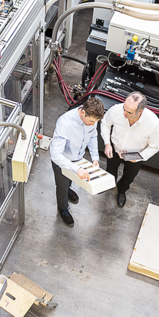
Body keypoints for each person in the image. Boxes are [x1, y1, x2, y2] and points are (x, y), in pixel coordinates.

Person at [50, 97, 106, 227]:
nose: (93, 124)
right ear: (82, 112)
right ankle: (63, 209)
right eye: (91, 121)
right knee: (62, 186)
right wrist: (76, 169)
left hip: (78, 159)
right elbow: (55, 155)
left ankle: (69, 189)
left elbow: (93, 137)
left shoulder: (92, 119)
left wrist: (95, 157)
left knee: (70, 181)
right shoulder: (65, 122)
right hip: (62, 161)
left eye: (95, 122)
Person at [101, 91, 159, 207]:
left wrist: (138, 157)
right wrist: (107, 143)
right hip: (115, 149)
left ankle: (122, 190)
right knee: (110, 170)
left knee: (129, 176)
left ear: (140, 112)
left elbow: (154, 146)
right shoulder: (117, 110)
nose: (123, 113)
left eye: (128, 112)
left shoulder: (153, 124)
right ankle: (108, 184)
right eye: (124, 108)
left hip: (135, 155)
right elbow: (105, 124)